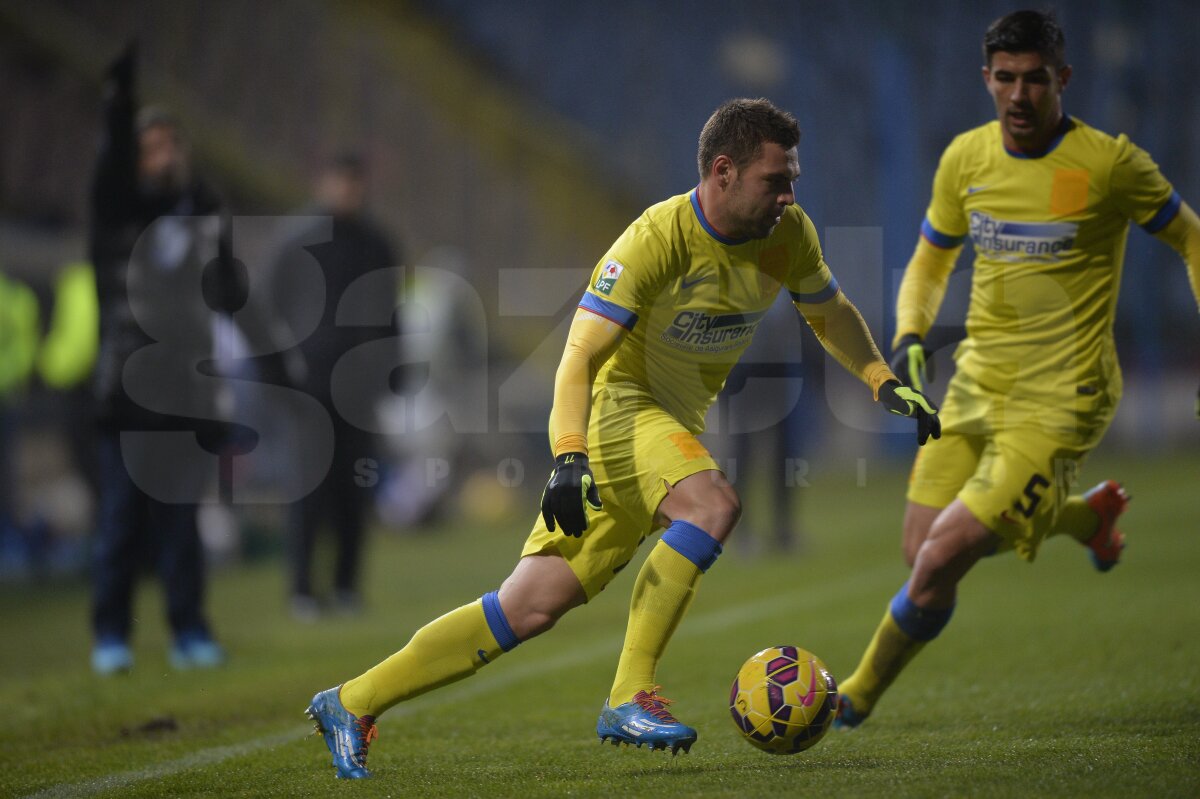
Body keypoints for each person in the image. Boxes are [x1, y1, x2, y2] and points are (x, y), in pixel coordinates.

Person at [306, 97, 940, 779]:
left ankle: (351, 699)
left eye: (792, 180)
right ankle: (628, 692)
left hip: (666, 432)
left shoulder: (788, 235)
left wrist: (879, 377)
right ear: (722, 171)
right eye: (774, 180)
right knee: (713, 505)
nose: (788, 195)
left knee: (527, 606)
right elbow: (576, 358)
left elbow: (830, 311)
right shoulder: (655, 239)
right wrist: (568, 455)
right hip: (620, 414)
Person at [835, 10, 1200, 728]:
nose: (1020, 95)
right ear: (987, 80)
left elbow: (1192, 240)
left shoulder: (1110, 163)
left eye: (1036, 79)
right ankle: (1083, 515)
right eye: (1006, 78)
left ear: (1062, 79)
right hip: (975, 382)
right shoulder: (966, 159)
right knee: (919, 550)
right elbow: (931, 258)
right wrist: (909, 331)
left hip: (1063, 397)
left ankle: (854, 694)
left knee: (939, 557)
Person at [88, 43, 293, 674]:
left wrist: (278, 359)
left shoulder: (203, 215)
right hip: (129, 389)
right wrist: (120, 106)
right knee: (122, 520)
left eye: (173, 143)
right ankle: (111, 637)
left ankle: (189, 632)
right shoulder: (118, 214)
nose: (166, 154)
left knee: (182, 525)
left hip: (188, 390)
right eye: (153, 146)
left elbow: (234, 292)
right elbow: (113, 174)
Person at [268, 154, 400, 620]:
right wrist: (279, 373)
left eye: (355, 184)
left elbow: (391, 312)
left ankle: (346, 586)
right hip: (310, 385)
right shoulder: (297, 241)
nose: (349, 192)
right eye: (341, 183)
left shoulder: (376, 243)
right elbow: (267, 311)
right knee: (308, 488)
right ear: (324, 183)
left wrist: (394, 369)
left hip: (360, 388)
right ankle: (303, 589)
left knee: (355, 487)